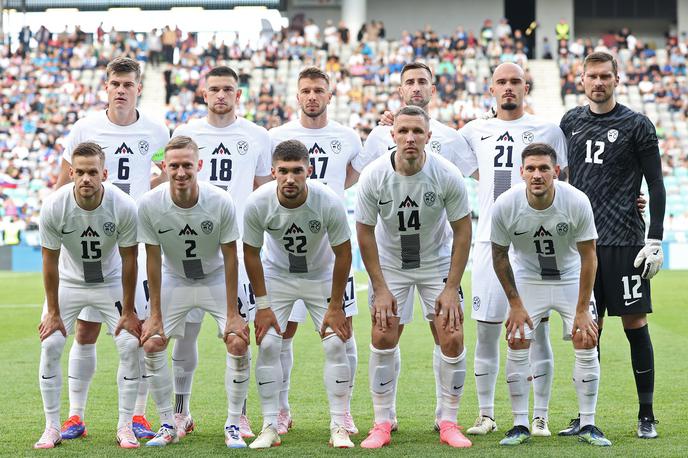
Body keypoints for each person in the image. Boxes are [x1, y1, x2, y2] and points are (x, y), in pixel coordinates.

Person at [55, 56, 170, 441]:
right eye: (115, 83)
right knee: (85, 331)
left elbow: (161, 174)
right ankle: (74, 415)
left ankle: (137, 416)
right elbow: (61, 182)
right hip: (93, 243)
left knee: (138, 330)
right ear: (106, 86)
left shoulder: (156, 131)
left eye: (128, 84)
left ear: (139, 87)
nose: (121, 90)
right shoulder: (84, 127)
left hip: (135, 241)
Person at [559, 51, 666, 439]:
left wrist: (654, 237)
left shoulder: (637, 124)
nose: (599, 82)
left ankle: (647, 414)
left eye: (606, 76)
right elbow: (562, 175)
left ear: (617, 79)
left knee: (635, 325)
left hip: (624, 242)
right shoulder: (569, 121)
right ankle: (586, 416)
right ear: (581, 79)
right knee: (588, 331)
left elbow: (654, 182)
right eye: (592, 76)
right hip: (581, 246)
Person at [459, 62, 568, 437]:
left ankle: (540, 416)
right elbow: (440, 152)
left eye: (515, 82)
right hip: (490, 240)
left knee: (536, 333)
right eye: (501, 82)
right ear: (491, 89)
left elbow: (562, 184)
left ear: (526, 87)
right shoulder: (474, 130)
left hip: (534, 246)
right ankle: (486, 414)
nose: (508, 88)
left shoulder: (548, 130)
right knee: (487, 332)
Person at [361, 60, 471, 431]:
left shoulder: (447, 173)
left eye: (416, 132)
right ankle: (382, 421)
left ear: (427, 135)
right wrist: (378, 287)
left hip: (434, 262)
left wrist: (452, 288)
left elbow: (462, 230)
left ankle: (448, 420)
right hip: (392, 263)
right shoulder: (375, 174)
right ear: (392, 134)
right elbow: (363, 231)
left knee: (451, 333)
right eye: (403, 131)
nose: (410, 137)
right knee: (382, 332)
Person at [171, 65, 272, 439]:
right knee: (185, 333)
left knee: (238, 333)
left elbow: (264, 190)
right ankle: (181, 412)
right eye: (214, 89)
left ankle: (240, 415)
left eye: (228, 89)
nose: (220, 95)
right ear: (203, 93)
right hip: (188, 246)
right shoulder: (186, 134)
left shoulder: (257, 135)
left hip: (237, 250)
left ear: (238, 95)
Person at [491, 143, 611, 446]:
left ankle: (588, 423)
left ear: (555, 172)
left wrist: (583, 309)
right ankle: (519, 424)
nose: (537, 174)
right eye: (530, 168)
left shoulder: (576, 201)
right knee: (517, 339)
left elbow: (589, 257)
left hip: (570, 278)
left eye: (544, 168)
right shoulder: (505, 204)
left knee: (586, 338)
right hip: (530, 278)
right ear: (521, 172)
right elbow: (499, 255)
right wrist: (515, 304)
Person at [267, 66, 364, 435]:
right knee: (283, 333)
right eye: (305, 90)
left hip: (330, 251)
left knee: (343, 330)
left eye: (318, 90)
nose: (312, 96)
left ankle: (345, 411)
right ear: (297, 96)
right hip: (285, 251)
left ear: (329, 95)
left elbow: (352, 176)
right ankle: (281, 409)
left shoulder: (347, 136)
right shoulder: (276, 136)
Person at [137, 136, 250, 448]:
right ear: (164, 166)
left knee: (238, 339)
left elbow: (231, 257)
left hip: (214, 278)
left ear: (199, 165)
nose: (181, 172)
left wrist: (232, 313)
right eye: (174, 166)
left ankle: (233, 423)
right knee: (153, 341)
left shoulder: (220, 201)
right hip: (176, 278)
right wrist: (155, 315)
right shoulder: (150, 204)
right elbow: (152, 259)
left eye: (187, 165)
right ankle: (167, 423)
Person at [242, 139, 355, 449]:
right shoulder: (258, 202)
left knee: (335, 344)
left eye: (296, 171)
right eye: (283, 171)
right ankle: (269, 426)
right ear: (273, 171)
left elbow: (344, 253)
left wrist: (335, 305)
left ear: (309, 170)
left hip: (321, 275)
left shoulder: (328, 201)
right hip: (278, 276)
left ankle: (338, 424)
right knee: (268, 344)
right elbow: (250, 253)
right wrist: (263, 305)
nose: (290, 178)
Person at [35, 142, 142, 449]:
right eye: (79, 172)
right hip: (70, 282)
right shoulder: (54, 206)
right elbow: (49, 262)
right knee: (52, 342)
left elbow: (131, 260)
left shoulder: (122, 205)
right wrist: (53, 312)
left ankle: (125, 426)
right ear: (71, 173)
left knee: (129, 342)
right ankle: (52, 426)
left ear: (104, 173)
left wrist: (129, 310)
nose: (85, 179)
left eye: (92, 172)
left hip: (109, 282)